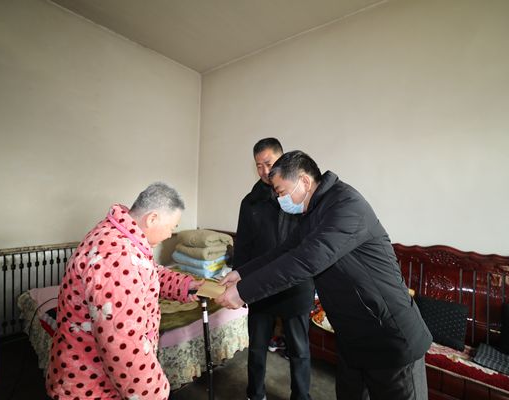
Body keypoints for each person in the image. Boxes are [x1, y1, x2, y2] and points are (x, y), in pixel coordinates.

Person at [217, 151, 432, 400]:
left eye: (281, 192)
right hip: (352, 338)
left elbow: (304, 261)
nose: (279, 199)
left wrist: (243, 292)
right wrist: (241, 273)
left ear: (304, 181)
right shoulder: (313, 213)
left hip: (389, 338)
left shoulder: (346, 205)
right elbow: (284, 251)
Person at [46, 182, 203, 400]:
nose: (170, 235)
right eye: (171, 227)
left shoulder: (119, 235)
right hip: (91, 386)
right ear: (152, 219)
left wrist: (182, 285)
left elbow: (146, 271)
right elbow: (123, 345)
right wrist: (155, 394)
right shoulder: (116, 255)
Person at [234, 138, 314, 400]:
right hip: (260, 285)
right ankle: (255, 394)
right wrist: (239, 283)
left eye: (268, 163)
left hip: (296, 285)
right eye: (258, 165)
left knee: (299, 350)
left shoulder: (297, 196)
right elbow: (243, 246)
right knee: (257, 348)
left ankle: (301, 396)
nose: (264, 171)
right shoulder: (251, 202)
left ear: (281, 159)